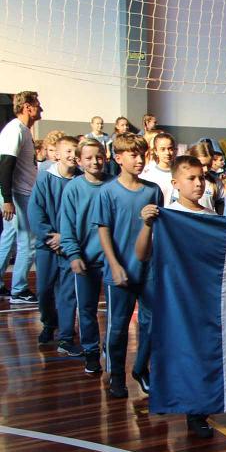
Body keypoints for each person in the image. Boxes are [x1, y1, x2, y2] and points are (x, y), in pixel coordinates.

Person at [134, 155, 215, 438]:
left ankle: (197, 413)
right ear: (175, 183)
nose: (198, 184)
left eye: (201, 178)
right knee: (171, 352)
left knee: (201, 355)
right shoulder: (165, 215)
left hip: (203, 299)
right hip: (173, 298)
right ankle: (162, 392)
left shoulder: (212, 216)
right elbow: (141, 254)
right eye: (191, 178)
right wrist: (146, 225)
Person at [93, 133, 163, 398]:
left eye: (142, 154)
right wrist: (113, 264)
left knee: (153, 323)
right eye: (133, 154)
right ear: (118, 158)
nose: (139, 159)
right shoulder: (108, 192)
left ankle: (140, 369)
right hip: (120, 270)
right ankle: (116, 375)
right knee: (118, 327)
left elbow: (161, 230)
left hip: (149, 271)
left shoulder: (152, 190)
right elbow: (103, 231)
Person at [59, 138, 110, 374]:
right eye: (88, 158)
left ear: (106, 157)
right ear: (79, 161)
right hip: (85, 261)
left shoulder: (113, 185)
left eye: (98, 156)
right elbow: (67, 226)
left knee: (115, 311)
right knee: (87, 309)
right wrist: (73, 255)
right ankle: (91, 352)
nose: (95, 161)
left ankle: (112, 350)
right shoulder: (73, 189)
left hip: (112, 261)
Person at [27, 136, 80, 353]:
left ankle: (66, 336)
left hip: (69, 247)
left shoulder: (80, 181)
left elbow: (81, 216)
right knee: (44, 289)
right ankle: (50, 323)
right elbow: (35, 211)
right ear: (56, 154)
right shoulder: (44, 179)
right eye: (67, 151)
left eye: (75, 151)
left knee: (68, 292)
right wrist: (51, 236)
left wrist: (65, 238)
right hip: (47, 246)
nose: (72, 155)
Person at [0, 91, 43, 303]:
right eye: (38, 105)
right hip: (18, 194)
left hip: (18, 193)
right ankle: (19, 290)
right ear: (27, 107)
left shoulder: (22, 130)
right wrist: (7, 198)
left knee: (8, 238)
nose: (41, 109)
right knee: (29, 240)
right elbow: (5, 163)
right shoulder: (15, 129)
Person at [140, 132, 177, 206]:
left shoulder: (180, 172)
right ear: (156, 151)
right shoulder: (147, 174)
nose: (167, 153)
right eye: (162, 149)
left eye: (170, 149)